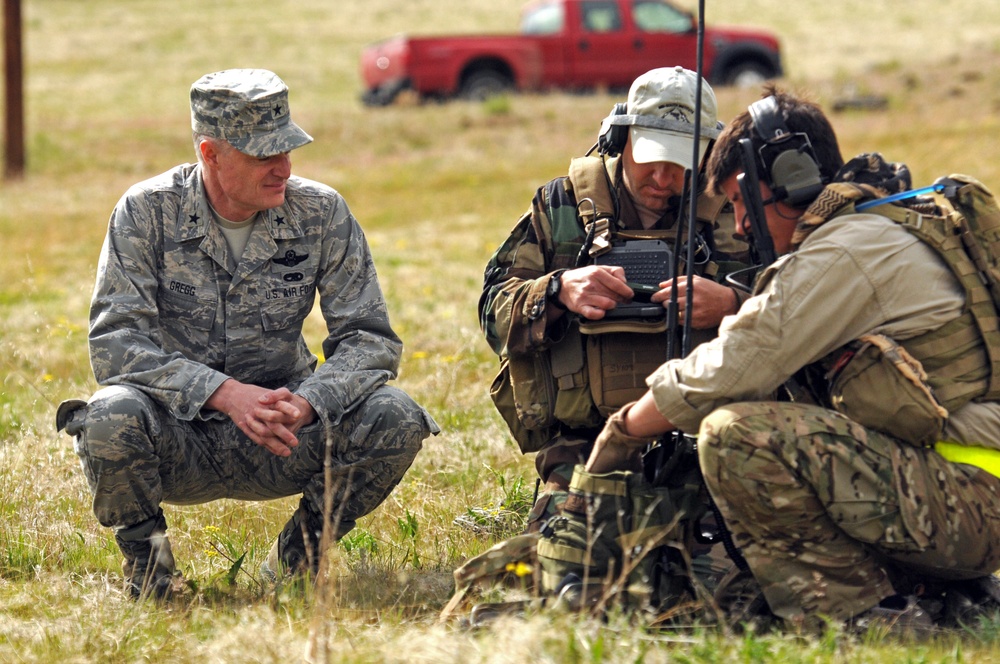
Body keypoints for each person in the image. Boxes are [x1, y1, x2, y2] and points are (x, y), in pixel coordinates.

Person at [584, 86, 1000, 631]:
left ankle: (861, 617)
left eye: (741, 200)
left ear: (791, 178)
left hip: (970, 504)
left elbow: (729, 370)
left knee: (735, 434)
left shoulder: (844, 252)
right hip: (970, 488)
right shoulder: (894, 225)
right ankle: (934, 587)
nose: (743, 223)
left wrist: (618, 439)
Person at [56, 69, 439, 599]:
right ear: (210, 153)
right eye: (264, 155)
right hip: (178, 434)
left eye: (288, 150)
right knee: (106, 418)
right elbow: (115, 343)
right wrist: (224, 394)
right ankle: (154, 576)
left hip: (283, 433)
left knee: (394, 415)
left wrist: (308, 403)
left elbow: (371, 341)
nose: (283, 168)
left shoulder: (321, 213)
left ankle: (296, 560)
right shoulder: (146, 212)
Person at [479, 66, 747, 532]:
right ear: (618, 137)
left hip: (710, 439)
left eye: (681, 163)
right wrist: (559, 290)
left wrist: (732, 303)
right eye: (652, 158)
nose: (663, 178)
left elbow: (800, 305)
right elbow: (493, 314)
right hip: (588, 444)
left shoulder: (734, 211)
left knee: (719, 573)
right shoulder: (560, 208)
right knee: (568, 568)